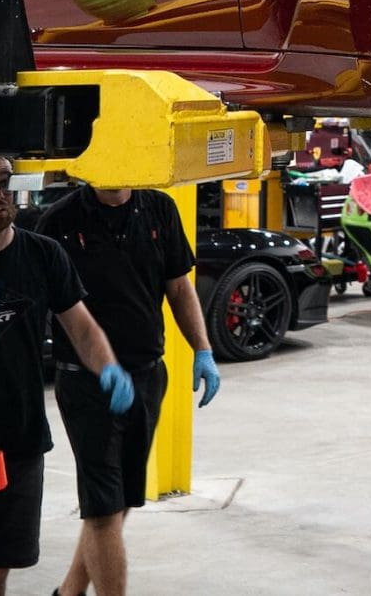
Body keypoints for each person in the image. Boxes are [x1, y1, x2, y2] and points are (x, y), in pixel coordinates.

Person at [39, 181, 224, 596]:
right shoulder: (60, 221)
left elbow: (178, 286)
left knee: (119, 500)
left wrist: (203, 349)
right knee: (103, 507)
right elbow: (48, 305)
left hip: (146, 375)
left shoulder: (159, 209)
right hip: (87, 383)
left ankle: (69, 592)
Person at [0, 155, 132, 596]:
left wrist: (109, 369)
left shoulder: (43, 254)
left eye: (4, 183)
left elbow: (80, 326)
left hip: (21, 439)